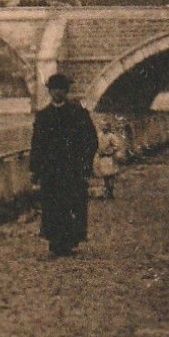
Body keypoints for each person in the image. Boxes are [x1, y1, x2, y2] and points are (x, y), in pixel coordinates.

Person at [29, 73, 100, 257]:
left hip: (73, 169)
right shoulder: (43, 116)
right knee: (52, 206)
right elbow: (37, 144)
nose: (57, 93)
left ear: (66, 91)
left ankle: (68, 241)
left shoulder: (78, 114)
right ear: (50, 92)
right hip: (51, 171)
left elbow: (91, 140)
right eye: (54, 89)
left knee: (72, 204)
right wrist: (35, 170)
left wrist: (85, 165)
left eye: (61, 89)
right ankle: (54, 241)